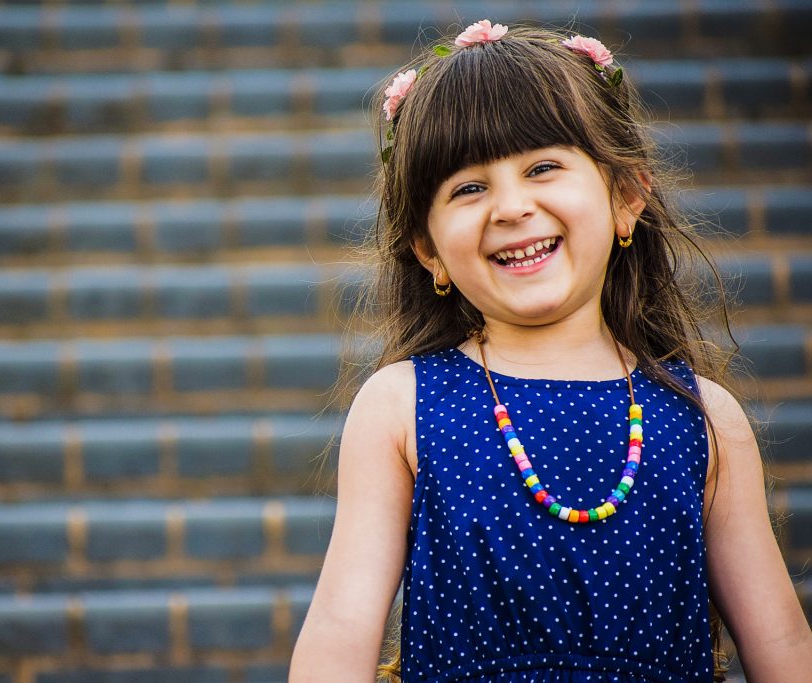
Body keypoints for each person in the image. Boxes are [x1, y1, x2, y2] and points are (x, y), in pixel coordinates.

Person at [288, 19, 812, 682]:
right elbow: (339, 626)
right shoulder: (401, 407)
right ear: (428, 252)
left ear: (626, 198)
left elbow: (785, 643)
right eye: (469, 188)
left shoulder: (706, 419)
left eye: (542, 167)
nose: (511, 207)